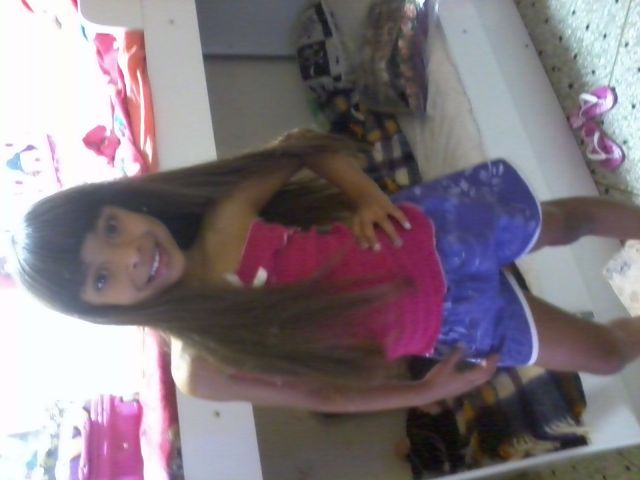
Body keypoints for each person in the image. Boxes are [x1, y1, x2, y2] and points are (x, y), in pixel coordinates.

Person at [10, 130, 640, 413]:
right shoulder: (201, 369)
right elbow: (324, 395)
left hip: (433, 234)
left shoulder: (225, 222)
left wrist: (365, 196)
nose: (129, 255)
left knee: (566, 222)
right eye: (101, 278)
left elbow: (300, 144)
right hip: (450, 322)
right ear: (101, 311)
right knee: (605, 355)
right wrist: (422, 393)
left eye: (110, 227)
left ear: (121, 203)